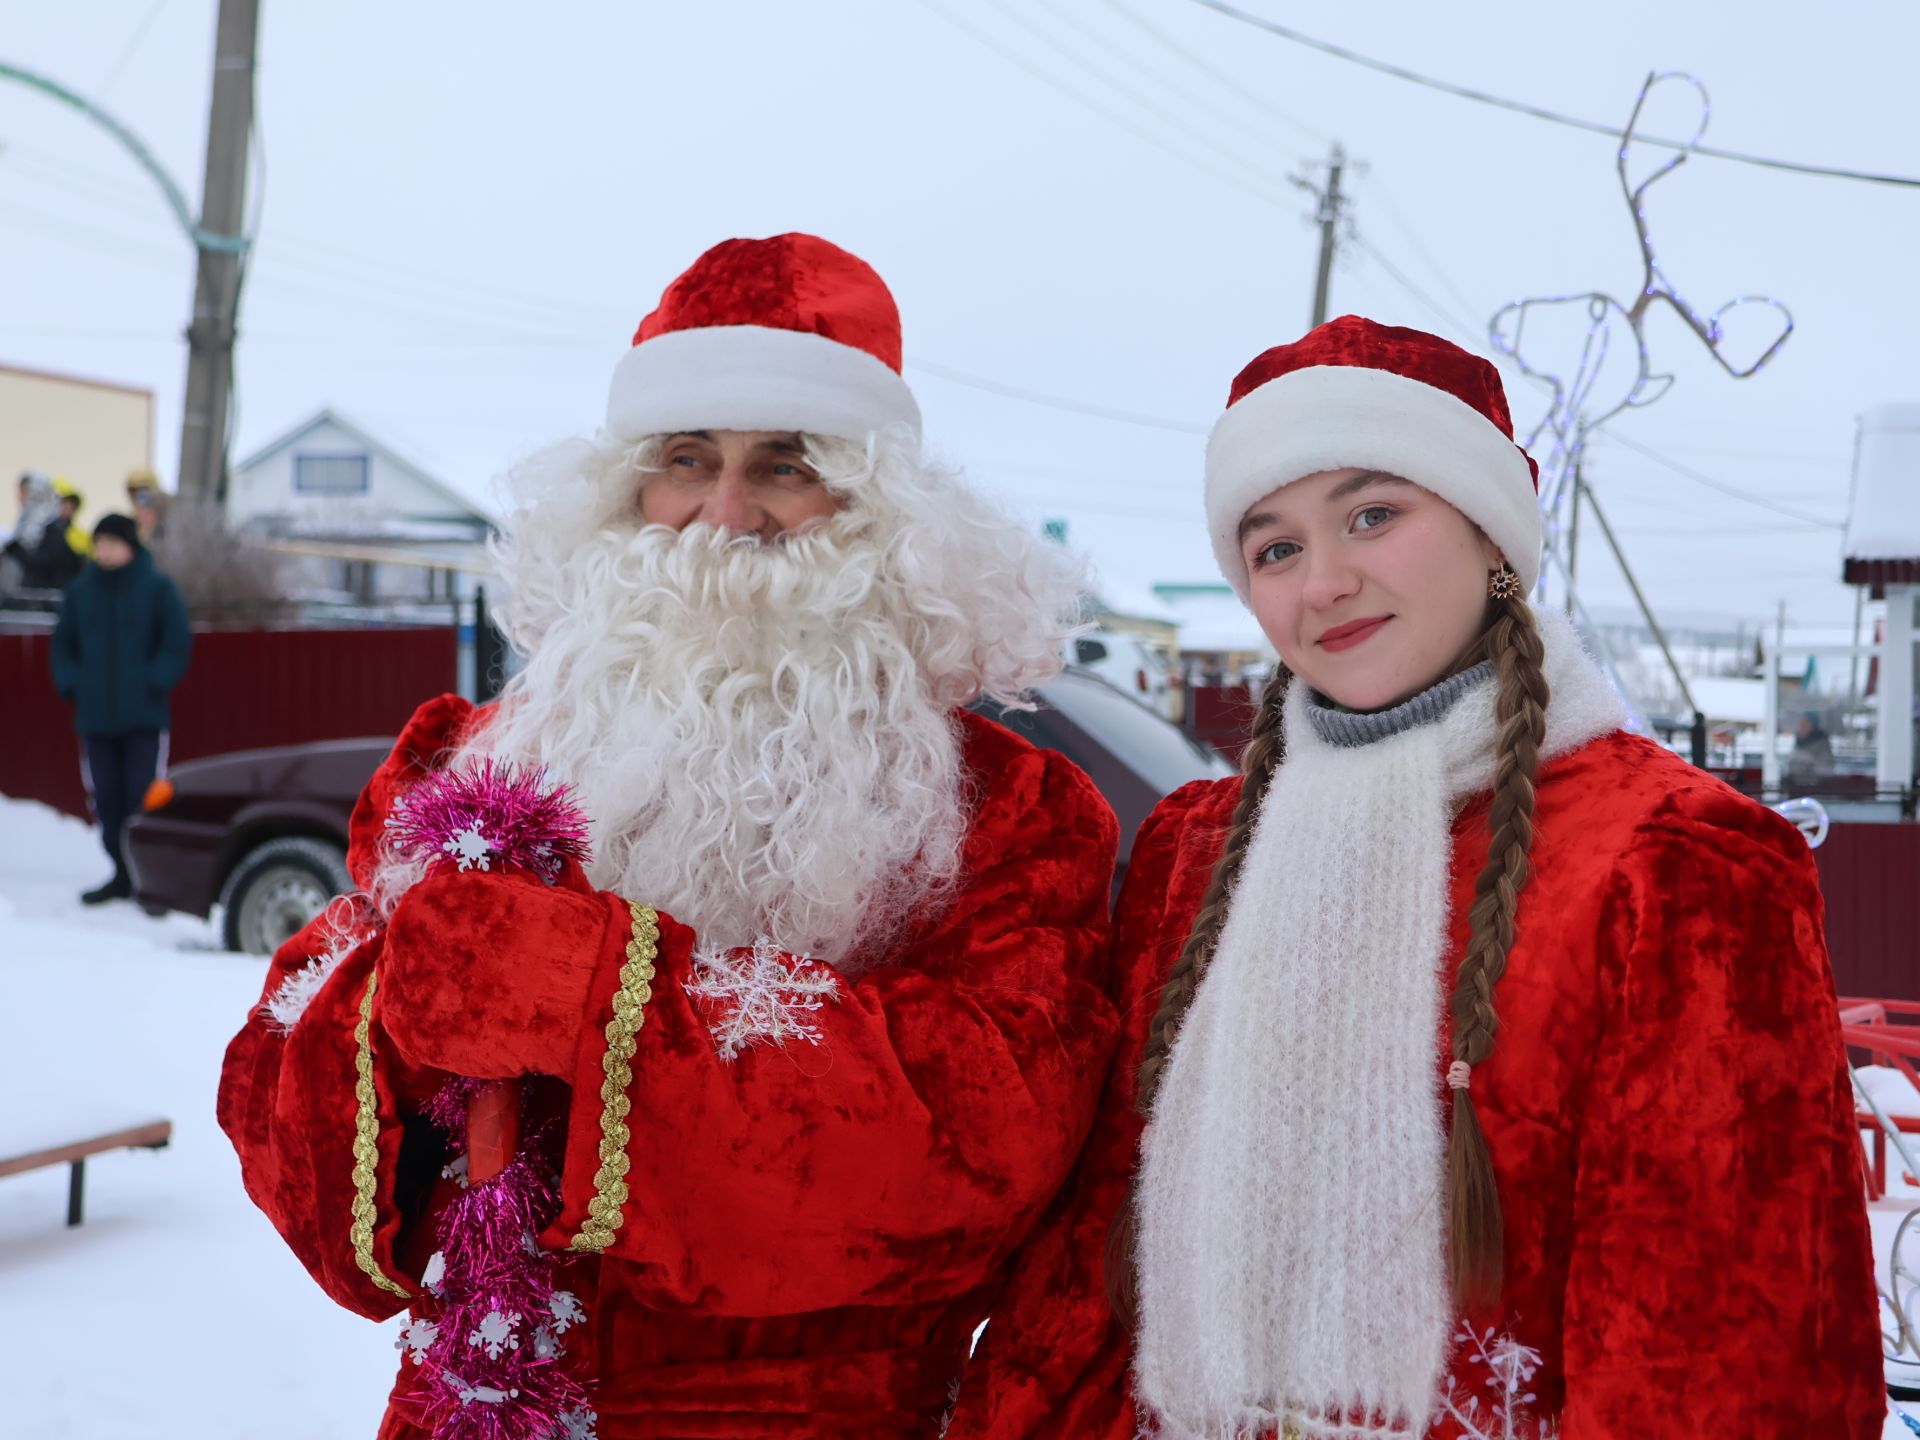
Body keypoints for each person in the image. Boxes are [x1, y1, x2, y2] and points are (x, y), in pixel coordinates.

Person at [217, 233, 1122, 1439]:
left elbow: (973, 1154)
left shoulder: (1010, 815)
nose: (725, 516)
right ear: (623, 496)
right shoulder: (473, 766)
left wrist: (584, 991)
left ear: (884, 516)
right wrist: (391, 1026)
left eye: (786, 465)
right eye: (686, 459)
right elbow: (283, 1104)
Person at [947, 317, 1882, 1439]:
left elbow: (1729, 1365)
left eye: (1373, 514)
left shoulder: (1678, 859)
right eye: (1274, 547)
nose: (1326, 581)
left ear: (1491, 535)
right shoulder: (1198, 848)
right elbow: (1089, 1279)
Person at [50, 512, 193, 905]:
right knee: (106, 799)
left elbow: (176, 642)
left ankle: (150, 881)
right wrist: (72, 683)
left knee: (142, 797)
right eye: (99, 544)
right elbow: (63, 645)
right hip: (96, 717)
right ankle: (121, 873)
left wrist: (154, 681)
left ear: (130, 546)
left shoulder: (157, 588)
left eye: (111, 544)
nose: (104, 551)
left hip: (143, 717)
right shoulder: (81, 591)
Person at [3, 470, 86, 591]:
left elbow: (44, 564)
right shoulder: (30, 526)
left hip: (48, 597)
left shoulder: (55, 530)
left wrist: (15, 548)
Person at [1786, 710, 1835, 792]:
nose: (1800, 727)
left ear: (1813, 727)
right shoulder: (1798, 745)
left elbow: (1824, 773)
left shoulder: (1822, 748)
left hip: (1812, 794)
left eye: (1805, 724)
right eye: (1800, 723)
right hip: (1794, 791)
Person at [124, 467, 171, 544]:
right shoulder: (131, 523)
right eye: (133, 492)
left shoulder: (171, 520)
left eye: (143, 492)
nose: (138, 497)